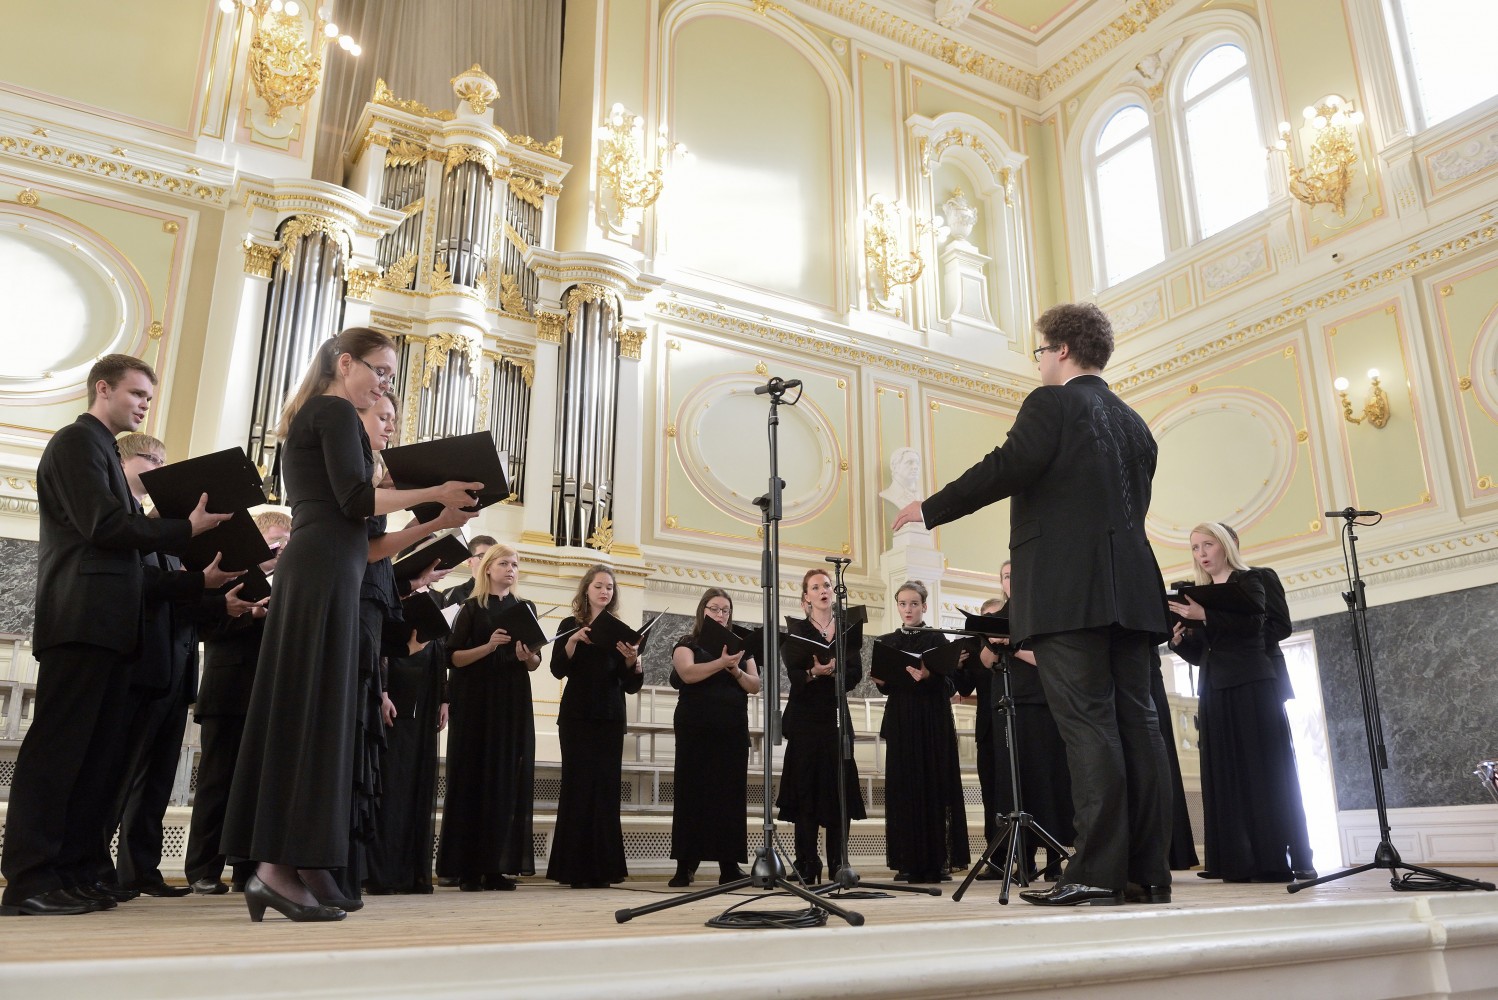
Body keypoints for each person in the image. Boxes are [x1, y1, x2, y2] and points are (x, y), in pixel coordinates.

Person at [892, 301, 1173, 907]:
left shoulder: (1052, 402)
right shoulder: (1134, 422)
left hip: (1071, 593)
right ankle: (1146, 872)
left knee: (1091, 727)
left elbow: (1009, 465)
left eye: (1041, 351)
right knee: (1139, 726)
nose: (1039, 362)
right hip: (1134, 591)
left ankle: (1095, 871)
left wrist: (930, 508)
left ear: (1062, 351)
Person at [221, 328, 481, 923]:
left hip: (329, 573)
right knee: (308, 719)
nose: (386, 384)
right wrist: (437, 487)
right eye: (381, 371)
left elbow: (363, 544)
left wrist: (432, 520)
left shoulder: (327, 416)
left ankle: (301, 862)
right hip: (317, 579)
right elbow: (357, 500)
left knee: (317, 721)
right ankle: (276, 868)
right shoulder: (334, 409)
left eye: (391, 376)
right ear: (346, 364)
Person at [1, 354, 228, 917]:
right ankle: (29, 880)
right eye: (136, 392)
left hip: (110, 627)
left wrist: (198, 578)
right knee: (58, 755)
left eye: (150, 394)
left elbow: (127, 554)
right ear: (102, 388)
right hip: (82, 621)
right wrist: (185, 528)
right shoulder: (77, 444)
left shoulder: (101, 450)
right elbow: (102, 527)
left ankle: (73, 872)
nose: (145, 403)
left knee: (93, 761)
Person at [103, 432, 257, 898]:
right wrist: (197, 585)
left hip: (177, 665)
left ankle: (140, 871)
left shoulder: (171, 537)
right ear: (121, 462)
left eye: (161, 460)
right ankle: (96, 869)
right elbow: (139, 588)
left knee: (158, 777)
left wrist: (217, 602)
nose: (154, 467)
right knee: (123, 773)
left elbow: (182, 606)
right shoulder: (140, 527)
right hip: (143, 662)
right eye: (147, 458)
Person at [339, 392, 470, 907]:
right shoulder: (354, 485)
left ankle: (348, 865)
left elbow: (373, 558)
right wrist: (433, 517)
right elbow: (365, 553)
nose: (390, 426)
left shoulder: (373, 490)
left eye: (395, 418)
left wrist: (414, 575)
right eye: (381, 416)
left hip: (371, 621)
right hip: (348, 617)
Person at [1168, 522, 1313, 883]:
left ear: (1227, 546)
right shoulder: (1197, 594)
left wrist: (1209, 617)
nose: (1201, 553)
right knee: (1225, 774)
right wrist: (1180, 642)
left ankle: (1280, 859)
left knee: (1267, 772)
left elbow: (1271, 628)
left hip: (1254, 684)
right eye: (1195, 547)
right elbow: (1204, 653)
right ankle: (1234, 860)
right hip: (1215, 688)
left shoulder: (1255, 579)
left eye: (1208, 545)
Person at [186, 511, 288, 895]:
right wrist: (252, 614)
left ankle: (249, 871)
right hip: (228, 690)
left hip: (268, 696)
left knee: (258, 789)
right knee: (217, 785)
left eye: (286, 542)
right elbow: (209, 627)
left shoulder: (289, 582)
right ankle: (203, 869)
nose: (282, 548)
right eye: (276, 541)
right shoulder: (228, 575)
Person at [438, 544, 540, 890]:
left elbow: (534, 662)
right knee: (472, 778)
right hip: (476, 701)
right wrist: (489, 646)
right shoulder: (471, 608)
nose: (511, 569)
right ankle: (467, 869)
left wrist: (527, 656)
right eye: (504, 563)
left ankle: (495, 867)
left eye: (514, 564)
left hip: (511, 699)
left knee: (504, 781)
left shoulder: (525, 608)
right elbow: (453, 659)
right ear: (487, 568)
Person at [546, 565, 642, 888]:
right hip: (576, 716)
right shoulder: (568, 625)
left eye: (610, 588)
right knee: (577, 788)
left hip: (610, 717)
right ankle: (572, 869)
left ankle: (604, 869)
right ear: (586, 589)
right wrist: (573, 641)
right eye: (599, 586)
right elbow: (557, 669)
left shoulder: (622, 630)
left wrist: (633, 660)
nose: (605, 591)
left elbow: (630, 685)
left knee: (606, 791)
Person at [776, 568, 867, 885]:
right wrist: (815, 673)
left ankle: (838, 864)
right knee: (806, 793)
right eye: (815, 587)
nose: (823, 590)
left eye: (827, 585)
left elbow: (855, 675)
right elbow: (794, 674)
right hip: (805, 719)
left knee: (838, 792)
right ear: (806, 597)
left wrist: (836, 671)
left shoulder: (847, 628)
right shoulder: (796, 630)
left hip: (835, 718)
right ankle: (806, 862)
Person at [874, 581, 969, 884]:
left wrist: (929, 675)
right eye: (903, 603)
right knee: (904, 790)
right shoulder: (888, 640)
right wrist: (881, 680)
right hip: (902, 719)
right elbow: (884, 683)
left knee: (934, 787)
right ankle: (907, 862)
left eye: (914, 603)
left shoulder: (938, 638)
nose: (908, 609)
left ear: (924, 606)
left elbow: (951, 685)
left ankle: (936, 862)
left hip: (932, 721)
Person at [666, 588, 761, 887]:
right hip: (695, 728)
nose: (721, 614)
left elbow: (755, 685)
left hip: (731, 728)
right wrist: (721, 663)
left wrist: (734, 670)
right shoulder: (687, 642)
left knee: (729, 796)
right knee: (691, 793)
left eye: (726, 610)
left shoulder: (741, 648)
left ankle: (729, 866)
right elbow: (688, 673)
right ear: (702, 610)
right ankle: (685, 866)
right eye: (715, 608)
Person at [364, 623, 448, 895]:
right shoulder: (393, 599)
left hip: (424, 702)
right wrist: (383, 692)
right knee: (392, 787)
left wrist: (444, 699)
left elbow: (441, 650)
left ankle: (412, 874)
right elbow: (381, 647)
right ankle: (383, 875)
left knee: (415, 786)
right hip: (395, 698)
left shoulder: (434, 601)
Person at [436, 535, 497, 608]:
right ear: (470, 561)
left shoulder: (509, 595)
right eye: (483, 556)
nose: (490, 561)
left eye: (494, 557)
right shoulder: (452, 594)